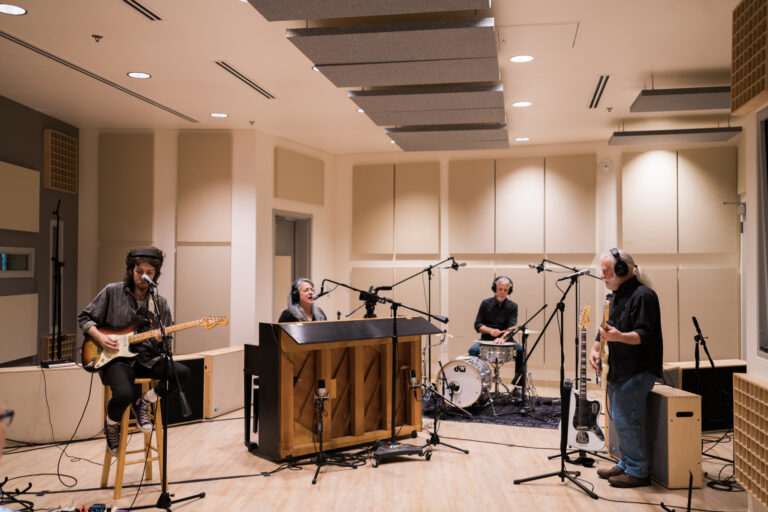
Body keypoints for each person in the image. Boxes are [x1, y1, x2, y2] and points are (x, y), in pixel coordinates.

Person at [78, 247, 190, 455]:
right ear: (131, 270)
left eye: (149, 273)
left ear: (156, 274)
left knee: (182, 373)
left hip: (147, 359)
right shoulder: (112, 291)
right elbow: (84, 318)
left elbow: (168, 346)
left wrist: (159, 341)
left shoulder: (160, 303)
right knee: (124, 394)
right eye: (139, 272)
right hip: (115, 359)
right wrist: (101, 337)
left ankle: (145, 401)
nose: (144, 277)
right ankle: (112, 424)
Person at [588, 248, 663, 488]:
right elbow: (607, 327)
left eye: (606, 271)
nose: (602, 276)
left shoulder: (644, 296)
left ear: (622, 270)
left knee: (625, 420)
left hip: (638, 370)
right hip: (620, 368)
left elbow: (643, 335)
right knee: (619, 421)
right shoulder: (617, 295)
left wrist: (620, 337)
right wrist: (595, 347)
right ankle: (626, 463)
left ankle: (639, 471)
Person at [470, 276, 523, 383]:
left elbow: (512, 327)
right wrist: (490, 331)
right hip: (486, 339)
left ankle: (518, 384)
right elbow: (477, 324)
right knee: (473, 350)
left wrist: (503, 338)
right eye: (500, 289)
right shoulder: (485, 303)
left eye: (505, 290)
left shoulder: (513, 306)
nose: (502, 292)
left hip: (506, 340)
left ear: (509, 291)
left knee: (521, 350)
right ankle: (478, 382)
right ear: (495, 289)